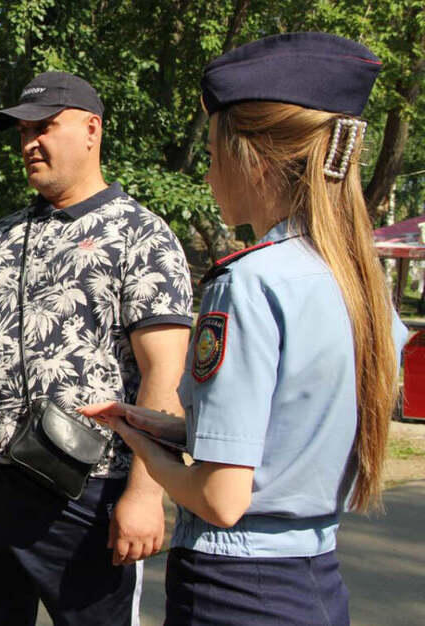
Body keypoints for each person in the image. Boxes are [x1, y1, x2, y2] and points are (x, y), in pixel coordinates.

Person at [80, 33, 409, 625]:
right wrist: (168, 427)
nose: (209, 173)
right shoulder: (359, 282)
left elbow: (221, 499)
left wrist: (142, 449)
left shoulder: (249, 282)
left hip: (234, 590)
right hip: (316, 580)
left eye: (212, 154)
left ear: (253, 158)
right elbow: (284, 436)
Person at [0, 72, 195, 625]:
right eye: (22, 132)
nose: (29, 144)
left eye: (44, 127)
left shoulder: (141, 235)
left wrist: (145, 494)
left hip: (85, 494)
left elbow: (164, 373)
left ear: (92, 130)